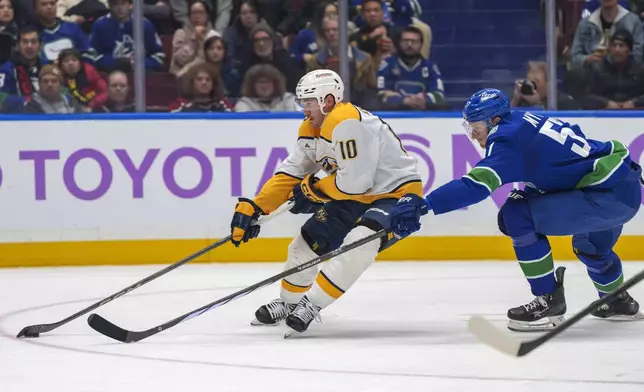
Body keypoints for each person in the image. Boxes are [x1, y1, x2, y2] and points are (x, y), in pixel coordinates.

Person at [389, 88, 643, 332]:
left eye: (476, 129)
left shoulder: (506, 139)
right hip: (623, 188)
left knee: (516, 215)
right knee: (592, 248)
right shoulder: (525, 119)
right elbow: (559, 166)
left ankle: (548, 301)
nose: (475, 137)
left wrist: (426, 204)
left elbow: (475, 186)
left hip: (603, 197)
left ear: (494, 120)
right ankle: (616, 299)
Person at [229, 69, 422, 334]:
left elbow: (357, 183)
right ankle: (290, 302)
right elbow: (293, 170)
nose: (304, 109)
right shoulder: (312, 127)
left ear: (327, 101)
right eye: (302, 103)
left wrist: (315, 190)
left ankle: (312, 304)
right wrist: (256, 206)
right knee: (306, 242)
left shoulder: (347, 121)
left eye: (308, 103)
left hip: (395, 196)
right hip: (352, 196)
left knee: (359, 243)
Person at [377, 26, 447, 111]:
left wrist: (424, 99)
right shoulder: (387, 64)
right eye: (405, 41)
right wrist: (403, 101)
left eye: (414, 42)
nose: (409, 45)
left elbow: (439, 95)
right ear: (399, 43)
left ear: (421, 45)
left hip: (424, 117)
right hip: (395, 116)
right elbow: (380, 95)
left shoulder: (430, 67)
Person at [90, 0, 165, 72]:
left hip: (141, 74)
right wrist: (115, 63)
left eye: (123, 3)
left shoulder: (144, 24)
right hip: (111, 74)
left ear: (130, 5)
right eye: (115, 4)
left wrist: (140, 64)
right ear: (109, 5)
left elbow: (159, 56)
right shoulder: (100, 25)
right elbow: (93, 56)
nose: (119, 8)